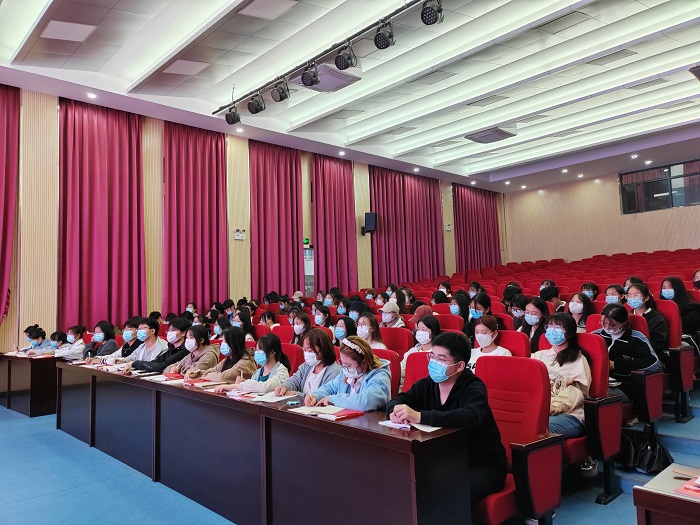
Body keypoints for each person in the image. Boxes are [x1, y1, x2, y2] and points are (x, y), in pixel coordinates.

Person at [386, 331, 507, 505]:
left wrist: (420, 416)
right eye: (432, 357)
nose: (434, 363)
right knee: (402, 479)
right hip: (444, 461)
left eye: (441, 359)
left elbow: (470, 416)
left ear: (460, 366)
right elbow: (398, 400)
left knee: (446, 491)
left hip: (480, 464)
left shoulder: (474, 387)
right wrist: (395, 410)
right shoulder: (427, 384)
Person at [532, 313, 596, 476]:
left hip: (569, 414)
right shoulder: (538, 356)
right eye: (549, 326)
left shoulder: (578, 359)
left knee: (539, 428)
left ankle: (546, 478)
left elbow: (576, 393)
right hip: (538, 411)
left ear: (569, 332)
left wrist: (551, 408)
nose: (552, 330)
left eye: (558, 327)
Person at [594, 305, 660, 416]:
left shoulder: (636, 339)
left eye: (612, 324)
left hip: (623, 385)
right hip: (596, 381)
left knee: (592, 393)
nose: (607, 328)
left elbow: (653, 363)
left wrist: (616, 365)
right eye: (603, 323)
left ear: (624, 322)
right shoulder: (596, 336)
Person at [305, 336, 391, 411]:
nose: (344, 368)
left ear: (364, 362)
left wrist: (333, 399)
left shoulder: (380, 376)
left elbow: (366, 402)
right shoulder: (346, 373)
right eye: (343, 363)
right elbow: (329, 388)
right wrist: (315, 396)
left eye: (348, 365)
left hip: (370, 422)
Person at [214, 334, 290, 394]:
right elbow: (252, 387)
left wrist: (234, 386)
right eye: (256, 349)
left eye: (260, 350)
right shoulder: (258, 372)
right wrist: (243, 383)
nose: (257, 353)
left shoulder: (282, 372)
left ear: (272, 353)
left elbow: (264, 388)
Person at [275, 329, 341, 396]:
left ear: (324, 349)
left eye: (310, 350)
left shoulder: (334, 371)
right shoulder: (306, 366)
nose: (306, 353)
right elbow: (295, 380)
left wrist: (298, 394)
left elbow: (323, 395)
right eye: (304, 350)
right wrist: (285, 386)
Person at [186, 327, 257, 382]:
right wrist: (197, 373)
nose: (222, 344)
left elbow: (222, 377)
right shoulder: (229, 358)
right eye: (222, 341)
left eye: (225, 342)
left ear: (234, 343)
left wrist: (204, 375)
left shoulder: (245, 362)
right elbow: (213, 370)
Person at [626, 283, 668, 363]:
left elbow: (657, 344)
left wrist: (633, 351)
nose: (632, 298)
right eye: (629, 295)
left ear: (646, 298)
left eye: (635, 295)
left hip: (650, 356)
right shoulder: (626, 316)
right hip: (628, 354)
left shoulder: (656, 318)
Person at [400, 315, 440, 391]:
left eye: (423, 330)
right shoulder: (412, 351)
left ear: (433, 332)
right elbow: (401, 370)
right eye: (418, 329)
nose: (420, 332)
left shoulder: (438, 354)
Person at [659, 276, 700, 349]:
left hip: (684, 340)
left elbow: (691, 327)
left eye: (670, 287)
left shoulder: (691, 308)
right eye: (664, 288)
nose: (667, 290)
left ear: (678, 289)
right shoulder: (659, 307)